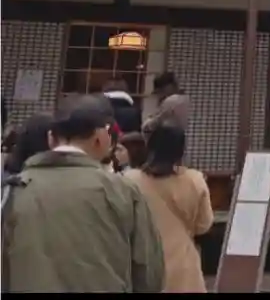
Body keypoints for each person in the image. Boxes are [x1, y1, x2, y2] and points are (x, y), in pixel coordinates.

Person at [1, 94, 165, 293]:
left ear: (51, 138)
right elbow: (149, 276)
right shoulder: (124, 191)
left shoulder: (12, 190)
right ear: (100, 139)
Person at [125, 123, 214, 293]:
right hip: (182, 264)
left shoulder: (130, 180)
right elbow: (203, 225)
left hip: (141, 261)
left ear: (149, 146)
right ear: (181, 150)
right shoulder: (194, 180)